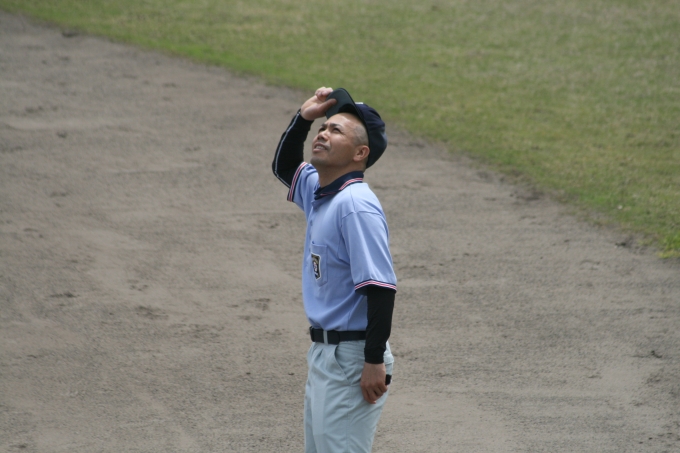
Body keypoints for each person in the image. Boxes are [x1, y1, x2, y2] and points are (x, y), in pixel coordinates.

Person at [272, 87, 397, 452]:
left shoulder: (355, 205)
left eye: (336, 130)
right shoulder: (321, 191)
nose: (323, 133)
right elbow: (283, 167)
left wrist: (373, 360)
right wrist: (303, 118)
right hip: (327, 355)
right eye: (323, 128)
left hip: (353, 357)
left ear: (360, 153)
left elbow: (380, 287)